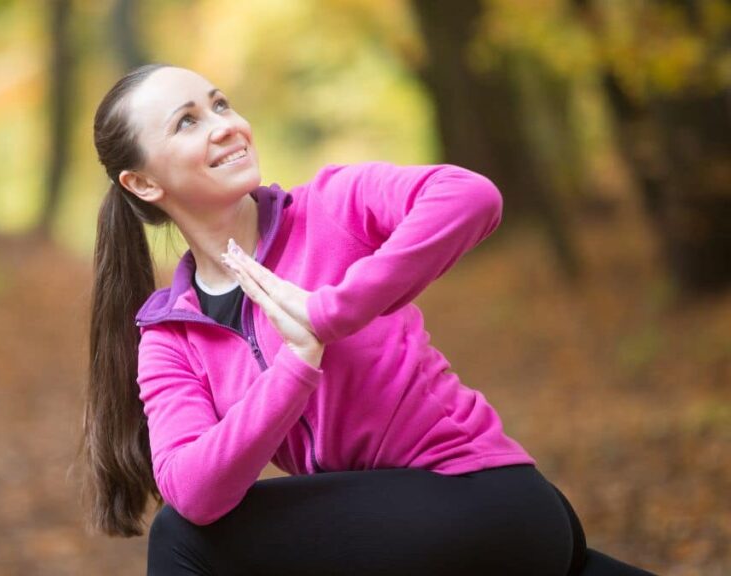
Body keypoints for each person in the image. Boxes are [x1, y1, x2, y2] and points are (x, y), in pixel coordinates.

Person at [80, 63, 658, 576]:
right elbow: (194, 489)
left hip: (477, 498)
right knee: (186, 529)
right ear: (143, 183)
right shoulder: (172, 337)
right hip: (392, 532)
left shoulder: (333, 206)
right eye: (187, 121)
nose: (225, 123)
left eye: (221, 104)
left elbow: (470, 195)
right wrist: (295, 364)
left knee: (181, 544)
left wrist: (329, 311)